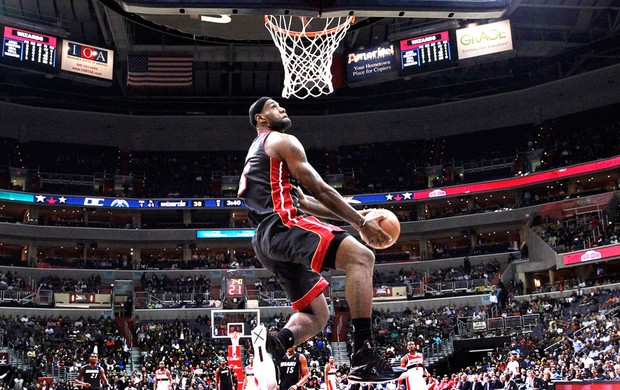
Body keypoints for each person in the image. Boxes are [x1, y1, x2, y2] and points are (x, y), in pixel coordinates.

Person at [240, 97, 402, 389]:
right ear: (260, 119)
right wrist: (360, 223)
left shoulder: (258, 155)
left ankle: (274, 347)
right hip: (283, 224)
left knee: (317, 314)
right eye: (274, 106)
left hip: (265, 241)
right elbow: (321, 188)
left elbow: (308, 201)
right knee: (362, 257)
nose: (282, 108)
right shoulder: (282, 141)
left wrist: (358, 214)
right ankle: (364, 354)